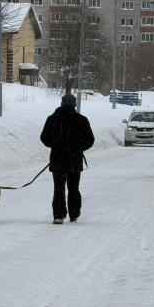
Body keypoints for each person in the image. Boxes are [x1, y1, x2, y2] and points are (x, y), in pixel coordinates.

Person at [40, 93, 95, 224]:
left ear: (61, 104)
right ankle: (74, 214)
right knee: (73, 187)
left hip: (57, 159)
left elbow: (44, 138)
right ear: (74, 104)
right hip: (74, 160)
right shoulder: (81, 120)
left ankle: (58, 215)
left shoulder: (52, 119)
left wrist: (55, 145)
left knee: (58, 188)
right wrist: (78, 148)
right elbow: (90, 140)